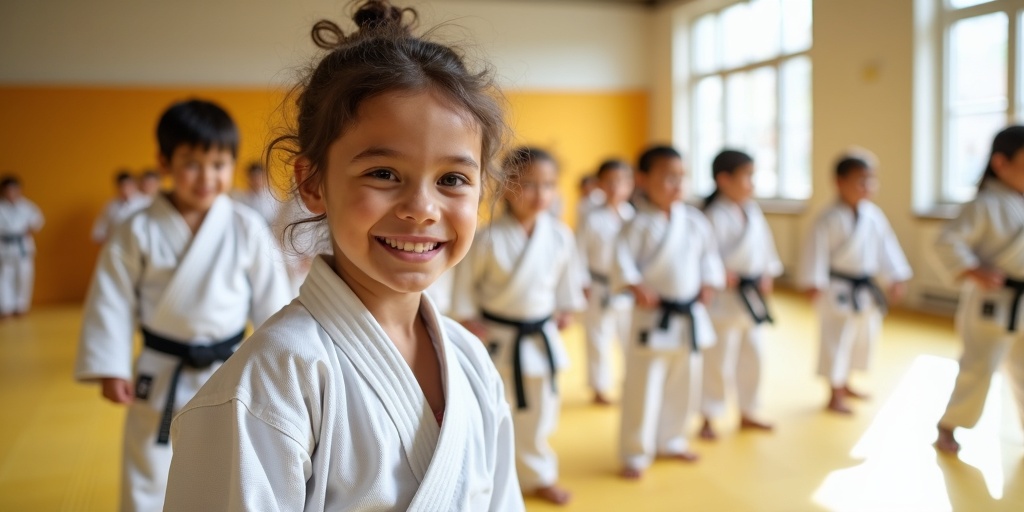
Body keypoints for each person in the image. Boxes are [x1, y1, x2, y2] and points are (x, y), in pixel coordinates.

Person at [163, 3, 524, 510]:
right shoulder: (275, 379)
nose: (422, 210)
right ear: (312, 183)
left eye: (452, 180)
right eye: (383, 173)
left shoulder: (470, 360)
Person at [75, 99, 292, 511]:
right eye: (193, 163)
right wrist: (110, 365)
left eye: (219, 164)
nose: (207, 177)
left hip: (227, 368)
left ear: (231, 165)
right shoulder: (136, 228)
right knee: (149, 463)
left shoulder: (245, 226)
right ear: (164, 161)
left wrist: (280, 363)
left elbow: (273, 301)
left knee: (227, 461)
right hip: (160, 368)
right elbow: (111, 300)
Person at [452, 146, 585, 505]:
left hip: (540, 338)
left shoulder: (560, 236)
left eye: (549, 185)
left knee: (541, 412)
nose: (540, 194)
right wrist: (467, 317)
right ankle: (492, 479)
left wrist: (565, 309)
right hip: (498, 337)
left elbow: (566, 284)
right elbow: (464, 286)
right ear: (506, 186)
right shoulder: (487, 237)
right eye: (529, 184)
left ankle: (540, 474)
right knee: (495, 411)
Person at [612, 145, 725, 479]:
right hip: (653, 317)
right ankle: (635, 451)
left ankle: (672, 439)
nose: (677, 184)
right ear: (643, 180)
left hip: (688, 316)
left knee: (684, 381)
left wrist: (709, 283)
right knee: (643, 387)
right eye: (668, 177)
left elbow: (709, 258)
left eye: (681, 177)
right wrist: (634, 285)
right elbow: (622, 263)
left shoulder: (693, 220)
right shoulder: (636, 224)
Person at [798, 152, 912, 414]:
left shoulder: (873, 216)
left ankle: (846, 383)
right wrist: (813, 282)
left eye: (871, 181)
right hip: (836, 288)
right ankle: (833, 393)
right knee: (836, 340)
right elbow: (814, 252)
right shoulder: (827, 218)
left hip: (864, 289)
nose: (868, 187)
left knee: (861, 338)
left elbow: (887, 250)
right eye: (860, 181)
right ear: (839, 182)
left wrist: (895, 276)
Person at [934, 126, 1024, 454]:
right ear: (1001, 163)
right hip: (992, 301)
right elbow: (947, 242)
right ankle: (949, 423)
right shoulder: (984, 204)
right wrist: (975, 270)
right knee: (978, 367)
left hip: (1022, 302)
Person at [698, 150, 781, 440]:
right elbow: (703, 256)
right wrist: (720, 274)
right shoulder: (711, 215)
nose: (751, 183)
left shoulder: (751, 210)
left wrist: (767, 272)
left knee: (753, 356)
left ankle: (748, 410)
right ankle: (709, 415)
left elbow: (764, 248)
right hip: (724, 299)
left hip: (751, 297)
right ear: (724, 179)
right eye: (746, 176)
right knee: (719, 360)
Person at [576, 159, 635, 405]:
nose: (615, 187)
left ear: (630, 185)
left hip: (626, 288)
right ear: (599, 184)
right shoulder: (592, 218)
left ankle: (630, 382)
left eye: (621, 182)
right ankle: (599, 388)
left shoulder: (631, 215)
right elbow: (578, 253)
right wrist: (583, 283)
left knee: (627, 338)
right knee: (598, 337)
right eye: (609, 182)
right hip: (598, 284)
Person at [0, 175, 44, 318]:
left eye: (14, 190)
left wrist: (28, 229)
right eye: (8, 190)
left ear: (19, 190)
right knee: (5, 277)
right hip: (4, 245)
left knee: (24, 276)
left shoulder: (27, 206)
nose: (11, 193)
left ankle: (21, 306)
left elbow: (38, 221)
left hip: (23, 245)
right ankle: (5, 307)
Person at [91, 170, 149, 244]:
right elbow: (98, 232)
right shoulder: (110, 206)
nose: (125, 189)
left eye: (128, 185)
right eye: (122, 186)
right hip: (116, 248)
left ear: (135, 185)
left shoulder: (146, 203)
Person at [231, 161, 280, 225]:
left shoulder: (273, 197)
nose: (257, 181)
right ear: (249, 178)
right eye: (254, 177)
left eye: (259, 177)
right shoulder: (241, 197)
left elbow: (276, 218)